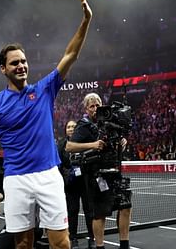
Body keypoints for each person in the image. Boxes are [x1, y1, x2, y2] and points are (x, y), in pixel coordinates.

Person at [0, 0, 93, 249]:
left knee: (61, 243)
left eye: (23, 61)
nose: (21, 66)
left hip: (49, 176)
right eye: (14, 63)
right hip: (16, 179)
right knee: (22, 244)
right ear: (3, 69)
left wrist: (86, 21)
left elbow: (70, 54)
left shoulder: (44, 89)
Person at [66, 93, 132, 249]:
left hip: (114, 170)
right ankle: (100, 246)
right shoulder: (83, 124)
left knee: (125, 206)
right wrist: (93, 145)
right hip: (96, 175)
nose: (95, 108)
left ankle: (124, 245)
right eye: (92, 106)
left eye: (98, 105)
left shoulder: (111, 121)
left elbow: (119, 139)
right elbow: (70, 147)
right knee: (99, 213)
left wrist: (123, 141)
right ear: (86, 109)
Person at [58, 120, 95, 249]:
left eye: (74, 126)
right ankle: (73, 238)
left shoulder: (84, 142)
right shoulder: (61, 144)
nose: (71, 129)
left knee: (89, 210)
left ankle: (92, 238)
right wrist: (65, 176)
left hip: (85, 181)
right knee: (72, 211)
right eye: (68, 127)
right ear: (65, 130)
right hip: (70, 184)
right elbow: (59, 164)